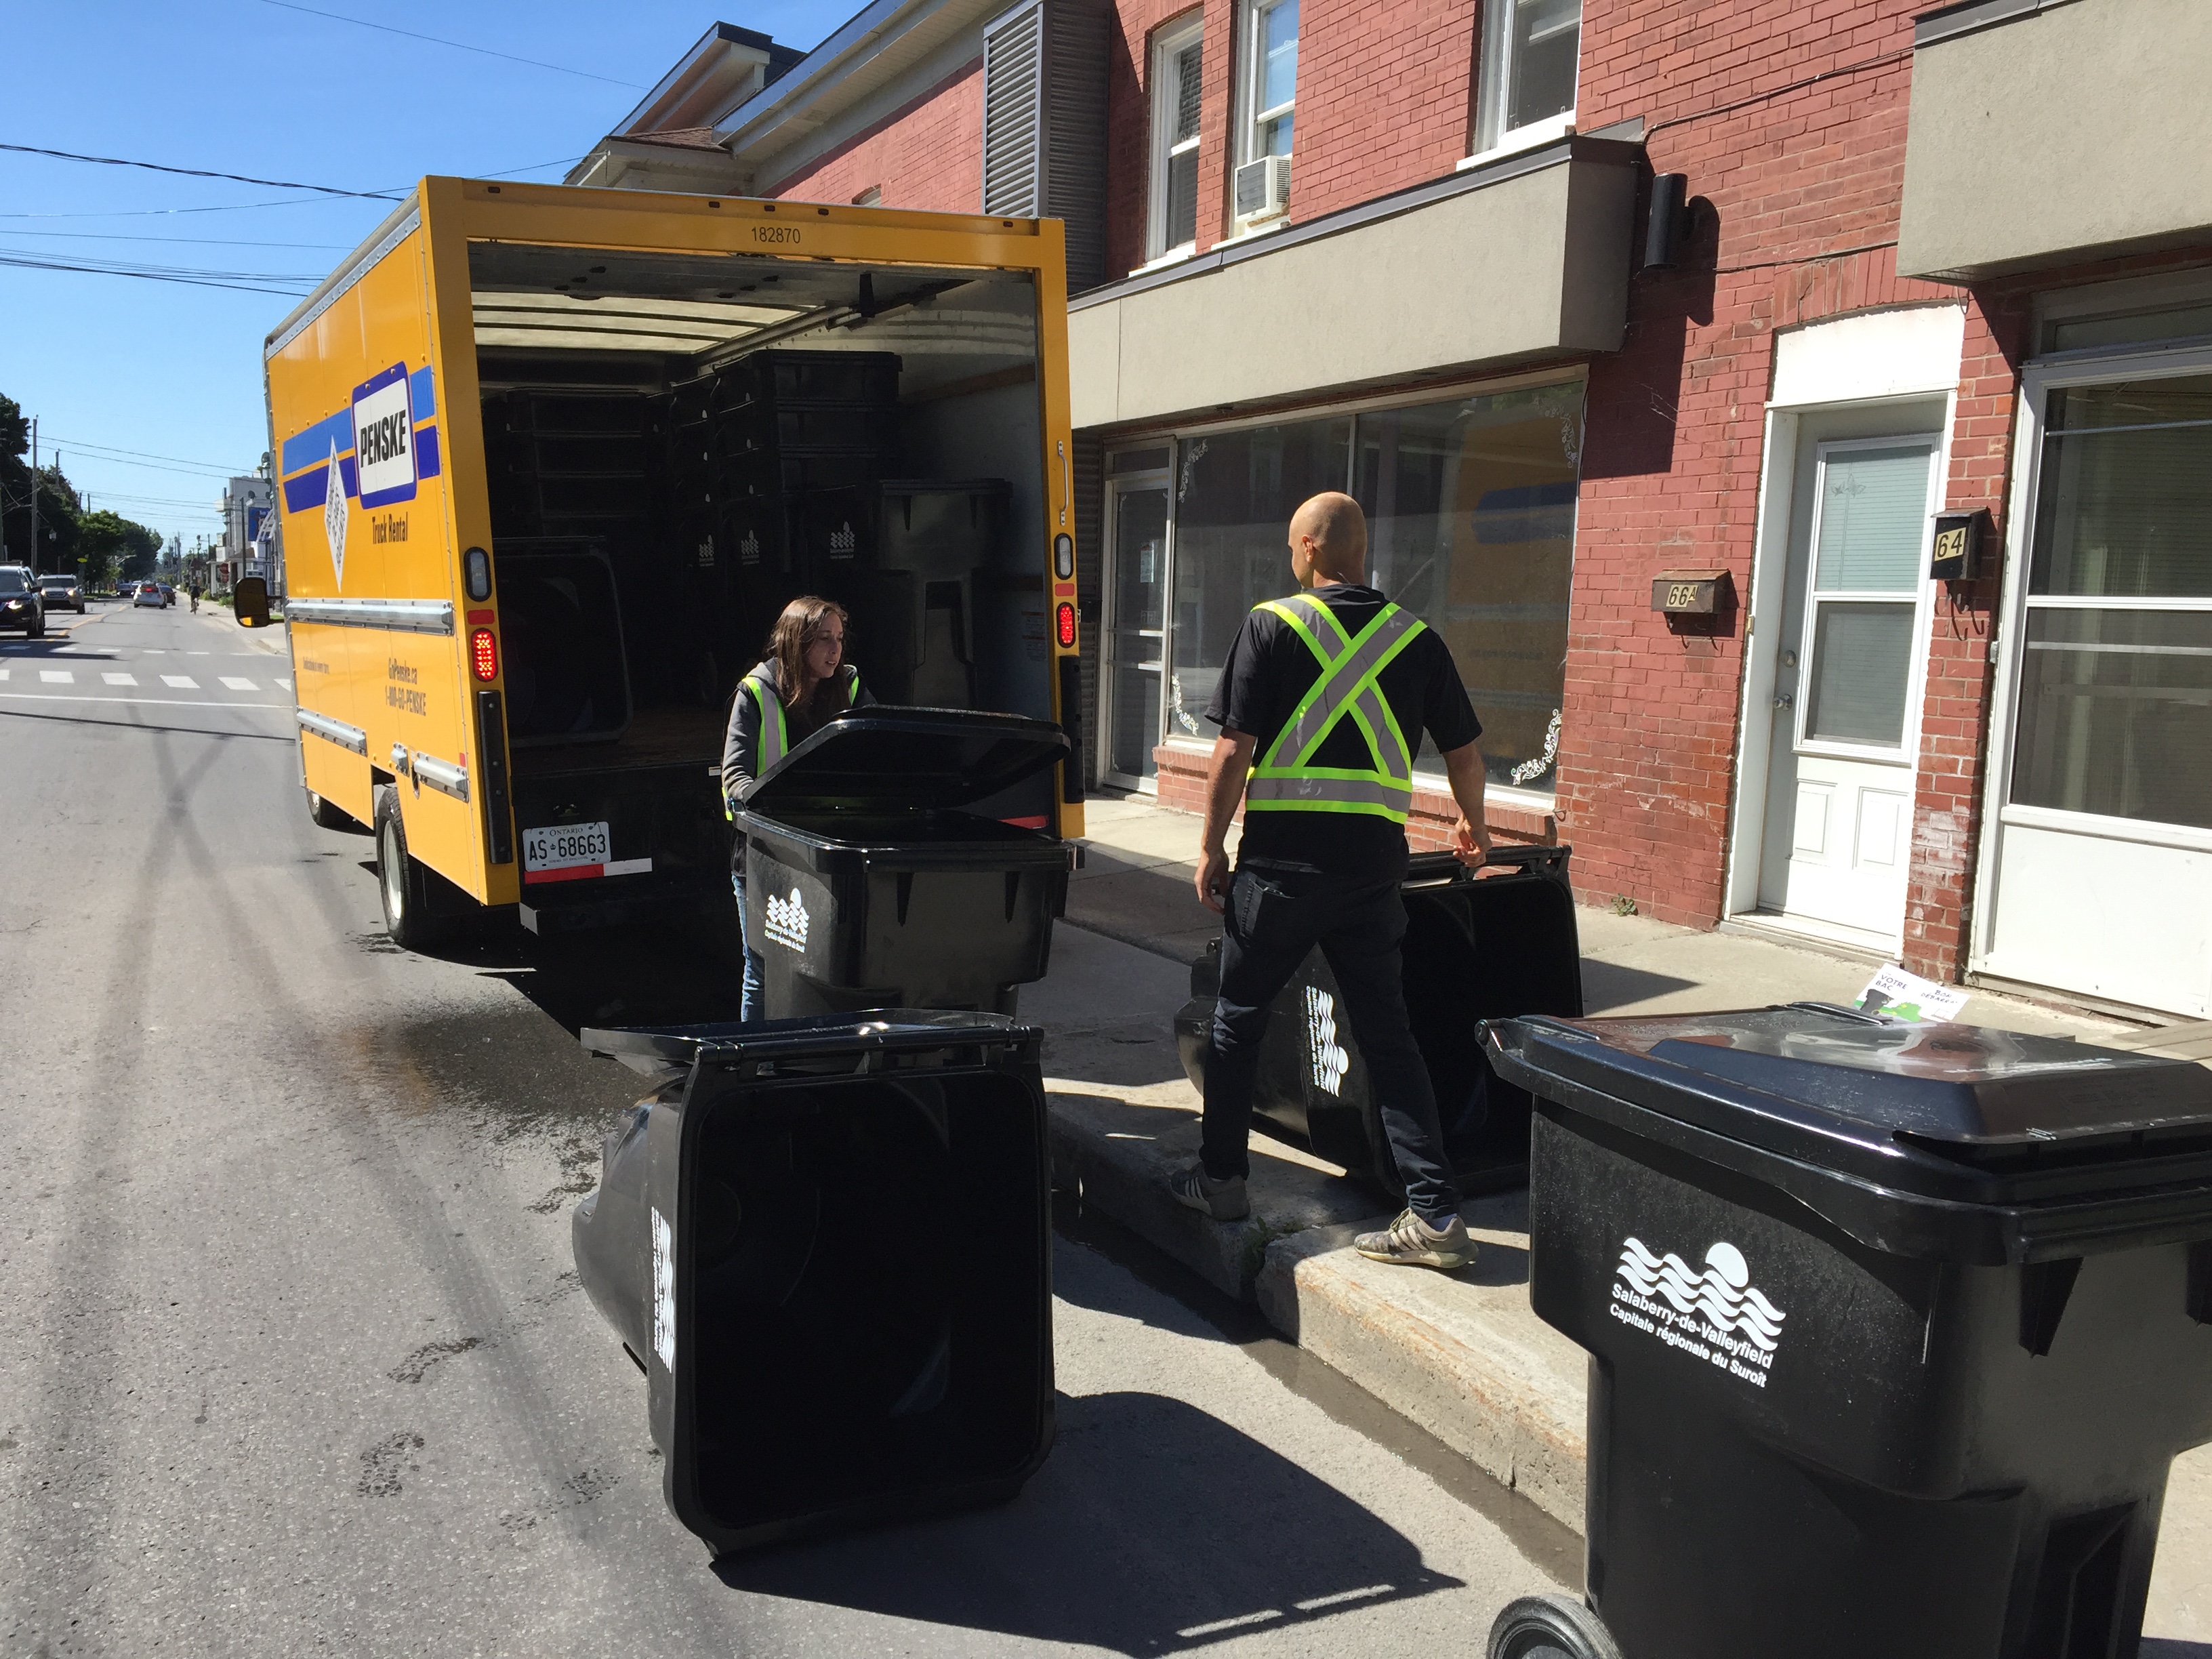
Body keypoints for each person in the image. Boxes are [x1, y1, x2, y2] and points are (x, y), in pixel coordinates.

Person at [1170, 491, 1495, 1271]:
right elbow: (1467, 755)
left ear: (1312, 549)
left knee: (1238, 1021)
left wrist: (1210, 847)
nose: (1290, 559)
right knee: (1388, 1036)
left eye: (1292, 546)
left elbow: (1231, 752)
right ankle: (1435, 1215)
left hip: (1281, 870)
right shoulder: (1416, 639)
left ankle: (1222, 1181)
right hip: (1370, 877)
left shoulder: (1271, 625)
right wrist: (1473, 824)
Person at [720, 596, 875, 1023]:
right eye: (824, 639)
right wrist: (762, 810)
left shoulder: (851, 686)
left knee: (824, 970)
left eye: (840, 639)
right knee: (765, 970)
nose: (835, 650)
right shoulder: (754, 692)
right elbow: (734, 777)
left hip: (822, 855)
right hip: (764, 858)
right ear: (796, 641)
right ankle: (756, 1070)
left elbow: (881, 745)